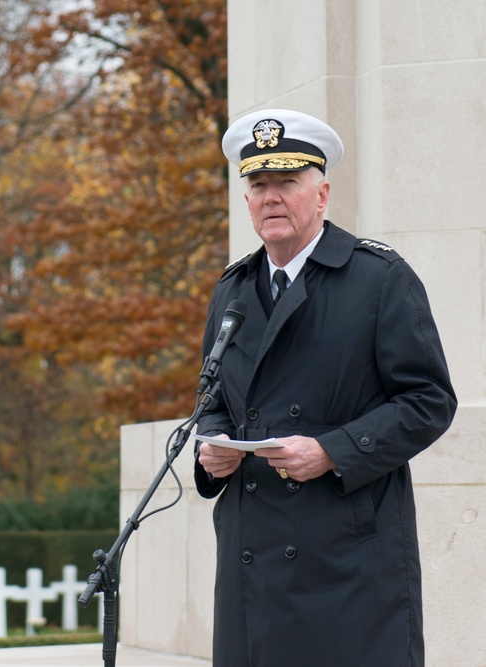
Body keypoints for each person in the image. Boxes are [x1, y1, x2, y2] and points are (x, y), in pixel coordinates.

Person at [193, 108, 457, 667]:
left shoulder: (379, 279)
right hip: (250, 566)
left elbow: (429, 400)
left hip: (347, 569)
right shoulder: (232, 289)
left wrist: (332, 451)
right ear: (245, 201)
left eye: (287, 183)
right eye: (258, 185)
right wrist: (210, 448)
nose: (271, 197)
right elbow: (213, 399)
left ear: (322, 194)